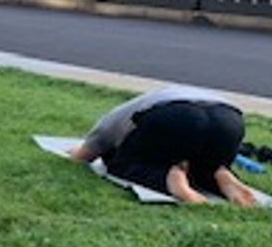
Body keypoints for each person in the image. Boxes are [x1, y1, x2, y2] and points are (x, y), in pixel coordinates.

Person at [70, 86, 256, 206]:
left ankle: (169, 178)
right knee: (202, 165)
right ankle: (218, 173)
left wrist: (76, 153)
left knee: (121, 165)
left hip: (174, 115)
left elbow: (87, 153)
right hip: (230, 120)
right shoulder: (157, 98)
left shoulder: (120, 114)